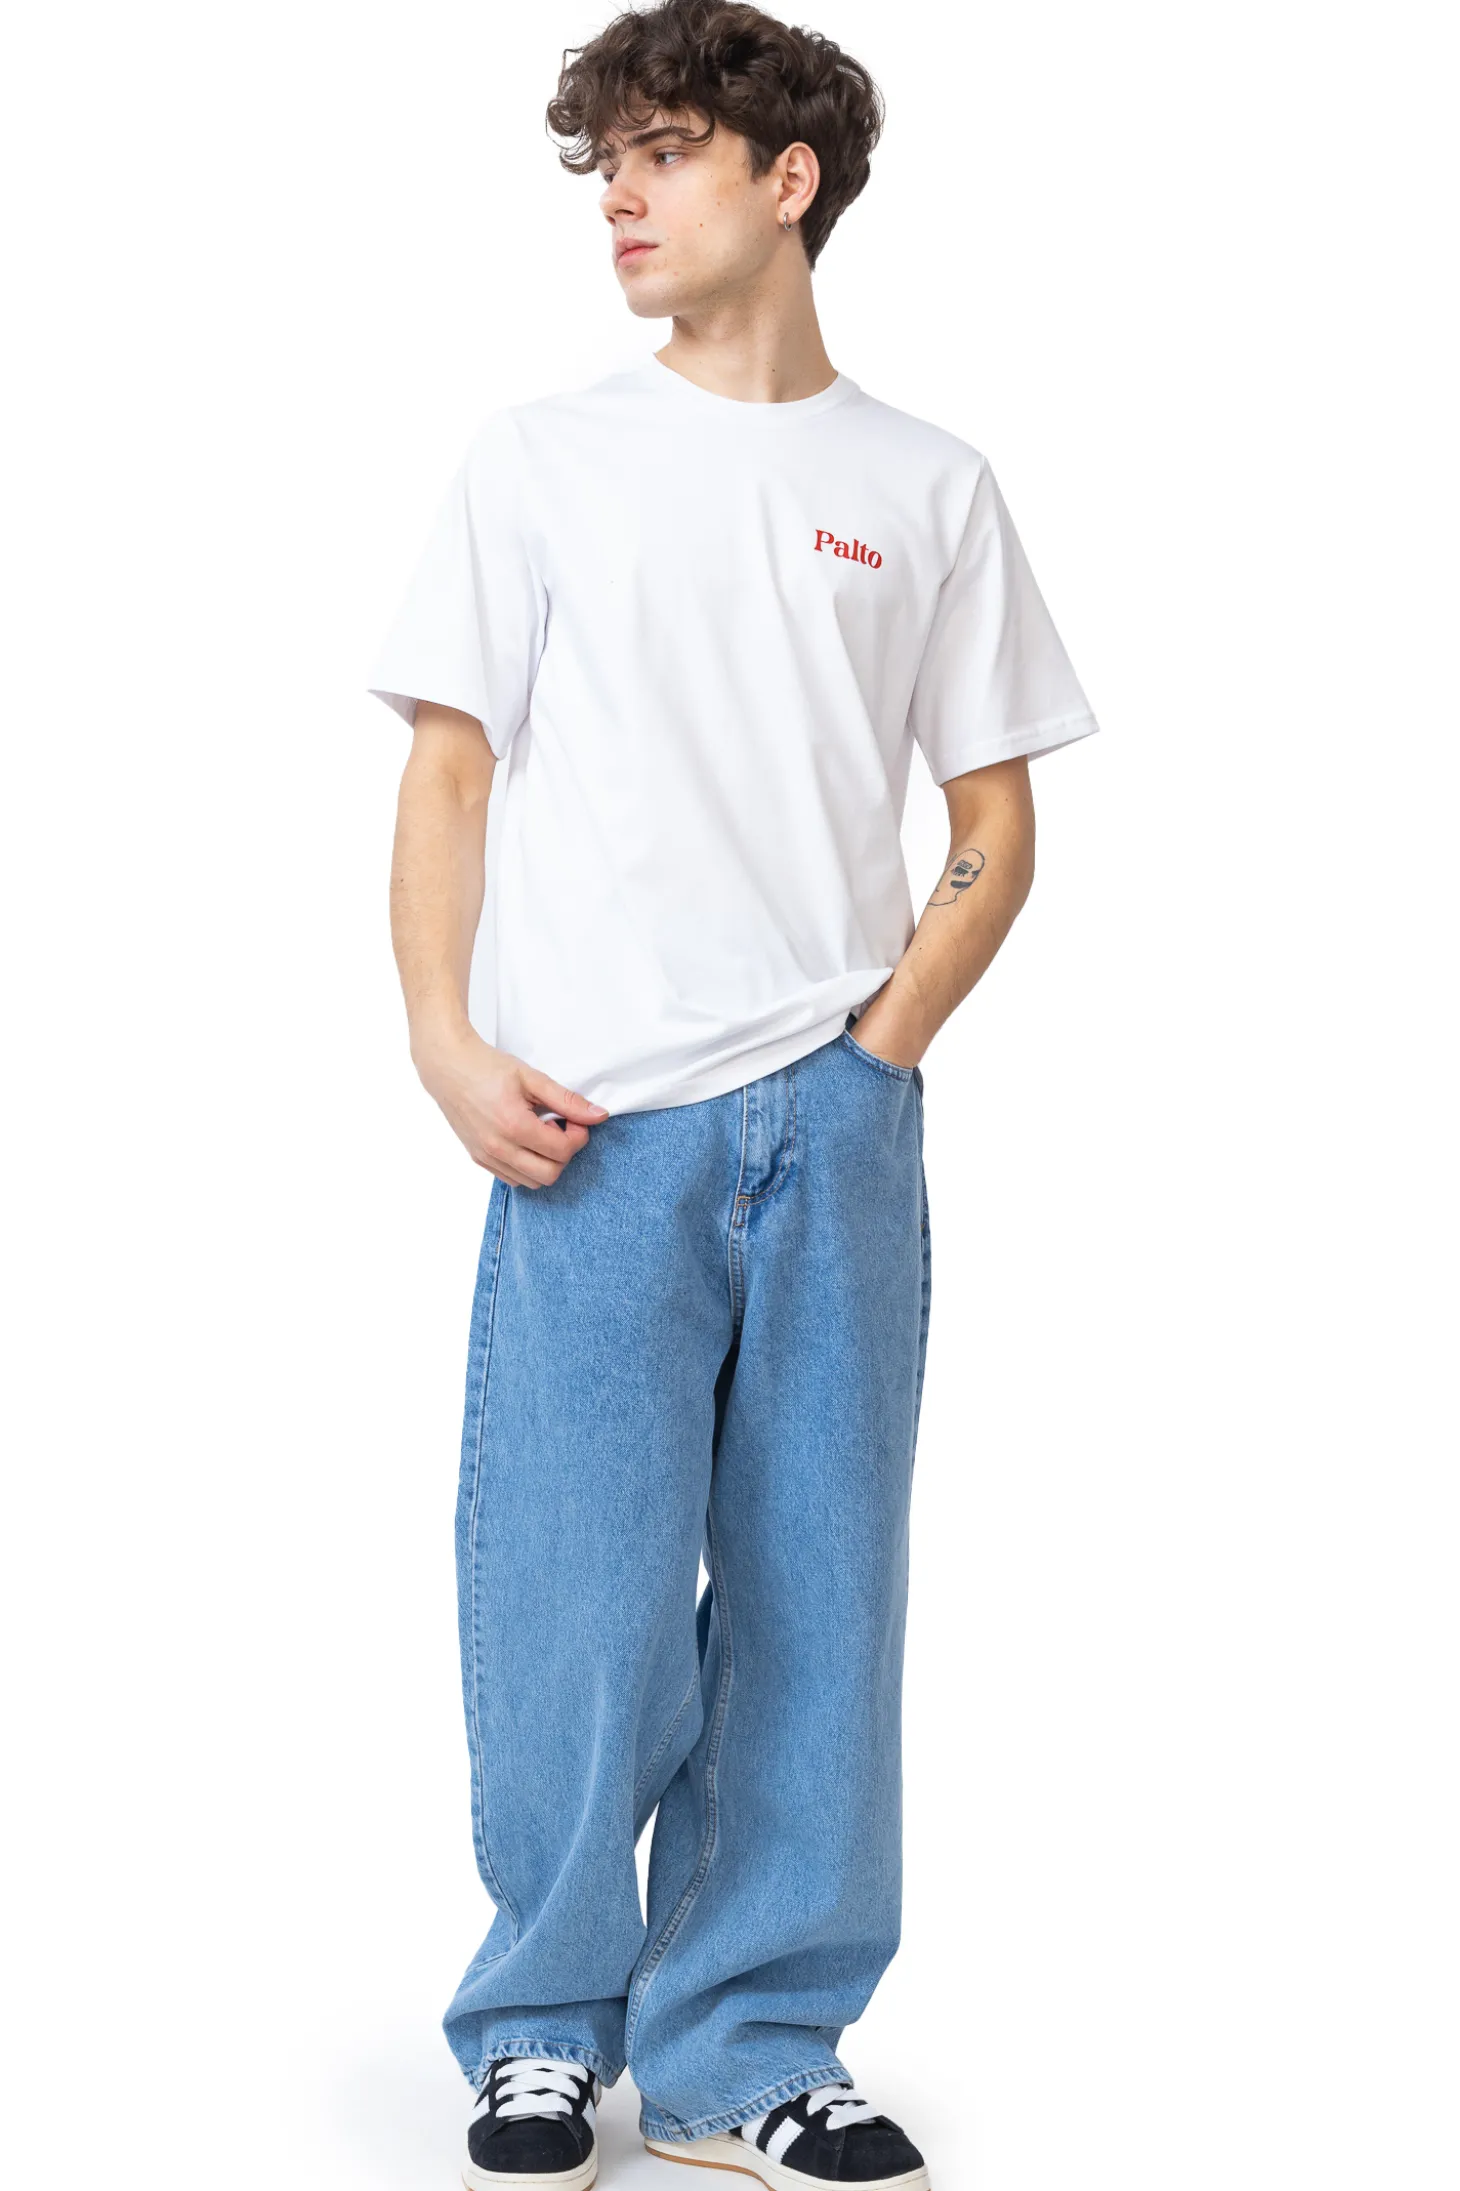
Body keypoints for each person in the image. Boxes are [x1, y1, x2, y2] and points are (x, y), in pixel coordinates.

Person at [367, 4, 1100, 2186]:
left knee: (815, 1603)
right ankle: (540, 2026)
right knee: (575, 1603)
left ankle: (748, 2047)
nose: (618, 194)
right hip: (591, 1124)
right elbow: (449, 771)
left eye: (665, 150)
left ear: (789, 182)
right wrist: (441, 1038)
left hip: (837, 1122)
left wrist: (879, 1055)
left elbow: (993, 817)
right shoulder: (537, 460)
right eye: (605, 160)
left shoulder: (927, 486)